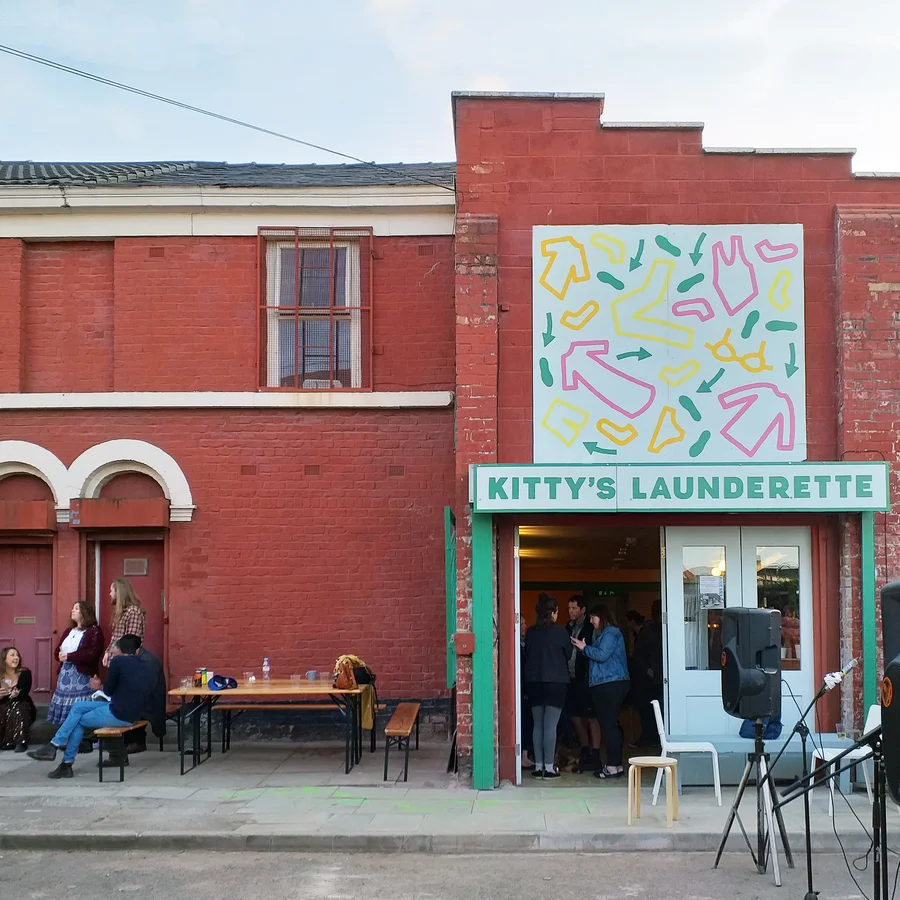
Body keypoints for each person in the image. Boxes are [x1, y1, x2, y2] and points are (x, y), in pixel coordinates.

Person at [28, 634, 153, 779]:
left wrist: (98, 686)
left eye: (113, 651)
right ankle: (54, 746)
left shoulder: (118, 662)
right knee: (78, 706)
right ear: (136, 650)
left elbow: (108, 691)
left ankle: (65, 762)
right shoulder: (145, 664)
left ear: (120, 650)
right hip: (131, 711)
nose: (111, 654)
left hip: (120, 713)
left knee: (78, 721)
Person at [572, 604, 630, 779]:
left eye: (593, 617)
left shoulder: (610, 633)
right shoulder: (608, 633)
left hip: (609, 683)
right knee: (610, 725)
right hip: (610, 683)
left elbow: (602, 655)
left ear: (602, 617)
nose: (591, 621)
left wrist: (584, 648)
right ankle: (616, 765)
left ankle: (612, 766)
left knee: (609, 725)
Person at [523, 593, 571, 779]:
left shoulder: (531, 632)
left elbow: (527, 653)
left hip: (534, 681)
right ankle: (549, 768)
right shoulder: (561, 632)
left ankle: (538, 765)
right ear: (554, 612)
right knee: (551, 725)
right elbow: (568, 654)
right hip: (556, 682)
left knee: (538, 725)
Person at [100, 635, 167, 769]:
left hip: (151, 703)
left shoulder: (146, 661)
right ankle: (119, 748)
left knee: (117, 711)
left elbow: (143, 688)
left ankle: (124, 748)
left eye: (115, 653)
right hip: (143, 700)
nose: (114, 656)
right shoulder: (138, 658)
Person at [47, 601, 105, 729]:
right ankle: (66, 732)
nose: (72, 611)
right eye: (73, 608)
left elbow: (92, 653)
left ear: (85, 612)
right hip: (65, 675)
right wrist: (59, 655)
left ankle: (84, 734)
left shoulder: (94, 631)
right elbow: (58, 649)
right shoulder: (69, 631)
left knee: (80, 705)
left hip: (82, 675)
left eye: (77, 608)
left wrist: (70, 657)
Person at [566, 595, 602, 771]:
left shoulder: (591, 627)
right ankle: (585, 749)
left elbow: (596, 650)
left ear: (583, 610)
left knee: (591, 716)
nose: (571, 611)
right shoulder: (568, 627)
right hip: (570, 677)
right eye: (569, 608)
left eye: (574, 608)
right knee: (574, 715)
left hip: (586, 676)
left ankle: (595, 754)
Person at [625, 610, 658, 747]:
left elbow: (644, 656)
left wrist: (649, 670)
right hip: (645, 678)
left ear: (632, 621)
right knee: (646, 709)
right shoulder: (644, 633)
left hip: (646, 679)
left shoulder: (645, 634)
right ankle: (649, 738)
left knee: (646, 709)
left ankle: (648, 738)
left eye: (627, 622)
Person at [102, 578, 146, 668]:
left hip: (126, 663)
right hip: (116, 661)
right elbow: (115, 637)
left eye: (111, 591)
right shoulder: (121, 612)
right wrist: (107, 652)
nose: (110, 594)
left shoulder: (133, 612)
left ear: (119, 592)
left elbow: (131, 644)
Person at [0, 647, 36, 751]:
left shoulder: (25, 673)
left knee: (16, 706)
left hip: (22, 703)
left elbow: (24, 693)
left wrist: (15, 695)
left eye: (17, 655)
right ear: (4, 659)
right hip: (3, 705)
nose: (16, 658)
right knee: (5, 709)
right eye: (12, 655)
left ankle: (21, 741)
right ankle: (7, 742)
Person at [519, 619, 535, 770]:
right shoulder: (516, 645)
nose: (524, 626)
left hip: (527, 687)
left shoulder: (525, 643)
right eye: (521, 623)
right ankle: (522, 756)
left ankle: (525, 755)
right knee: (523, 721)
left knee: (528, 721)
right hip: (521, 687)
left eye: (524, 623)